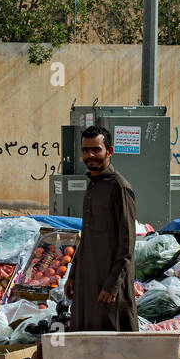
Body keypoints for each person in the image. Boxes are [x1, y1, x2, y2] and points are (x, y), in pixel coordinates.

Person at [66, 125, 138, 332]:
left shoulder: (120, 188)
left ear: (110, 151)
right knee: (87, 342)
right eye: (85, 150)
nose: (90, 155)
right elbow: (87, 236)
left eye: (96, 149)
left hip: (109, 285)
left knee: (113, 346)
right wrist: (73, 274)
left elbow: (128, 243)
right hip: (87, 281)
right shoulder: (93, 184)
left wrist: (112, 284)